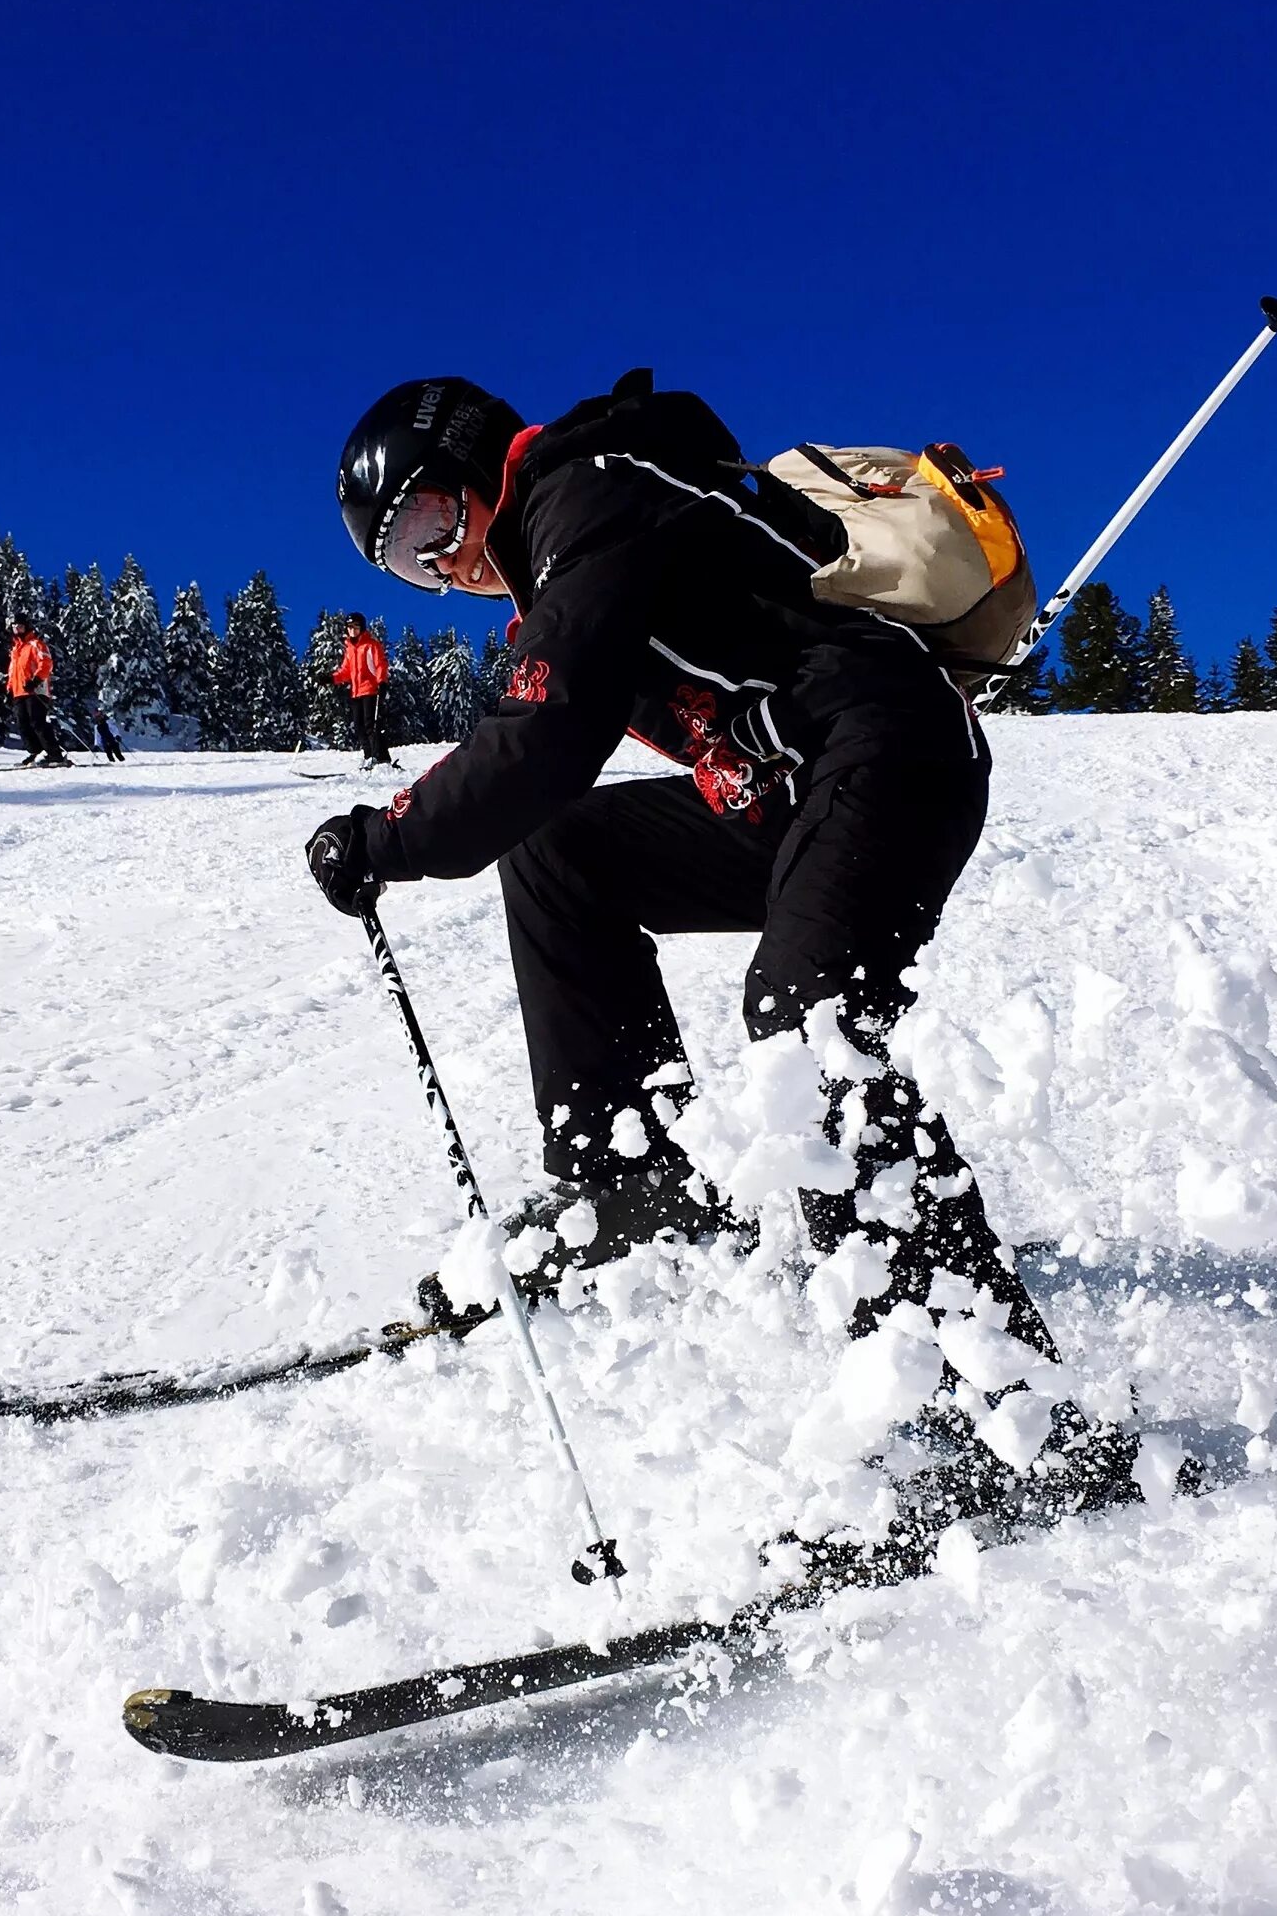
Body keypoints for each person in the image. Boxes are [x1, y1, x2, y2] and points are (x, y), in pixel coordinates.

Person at [311, 370, 1070, 1355]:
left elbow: (544, 734)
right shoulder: (565, 536)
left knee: (808, 1028)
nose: (444, 568)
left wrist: (391, 837)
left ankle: (1002, 1419)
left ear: (470, 460)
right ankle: (632, 1189)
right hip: (788, 797)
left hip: (890, 748)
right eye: (410, 567)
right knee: (562, 851)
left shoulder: (586, 490)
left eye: (429, 527)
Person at [6, 619, 71, 767]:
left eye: (20, 627)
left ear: (27, 627)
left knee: (37, 722)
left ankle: (54, 754)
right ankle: (36, 752)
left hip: (36, 690)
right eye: (14, 627)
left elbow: (46, 663)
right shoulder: (16, 649)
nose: (17, 630)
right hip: (19, 691)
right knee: (23, 724)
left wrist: (35, 680)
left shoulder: (36, 644)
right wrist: (9, 689)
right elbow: (12, 672)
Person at [331, 614, 394, 767]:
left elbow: (380, 664)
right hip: (356, 692)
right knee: (359, 726)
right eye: (350, 627)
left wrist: (382, 682)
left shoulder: (371, 645)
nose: (352, 630)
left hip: (371, 691)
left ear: (362, 628)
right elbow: (346, 671)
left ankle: (379, 757)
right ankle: (369, 756)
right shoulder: (351, 649)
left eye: (356, 626)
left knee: (370, 725)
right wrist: (331, 678)